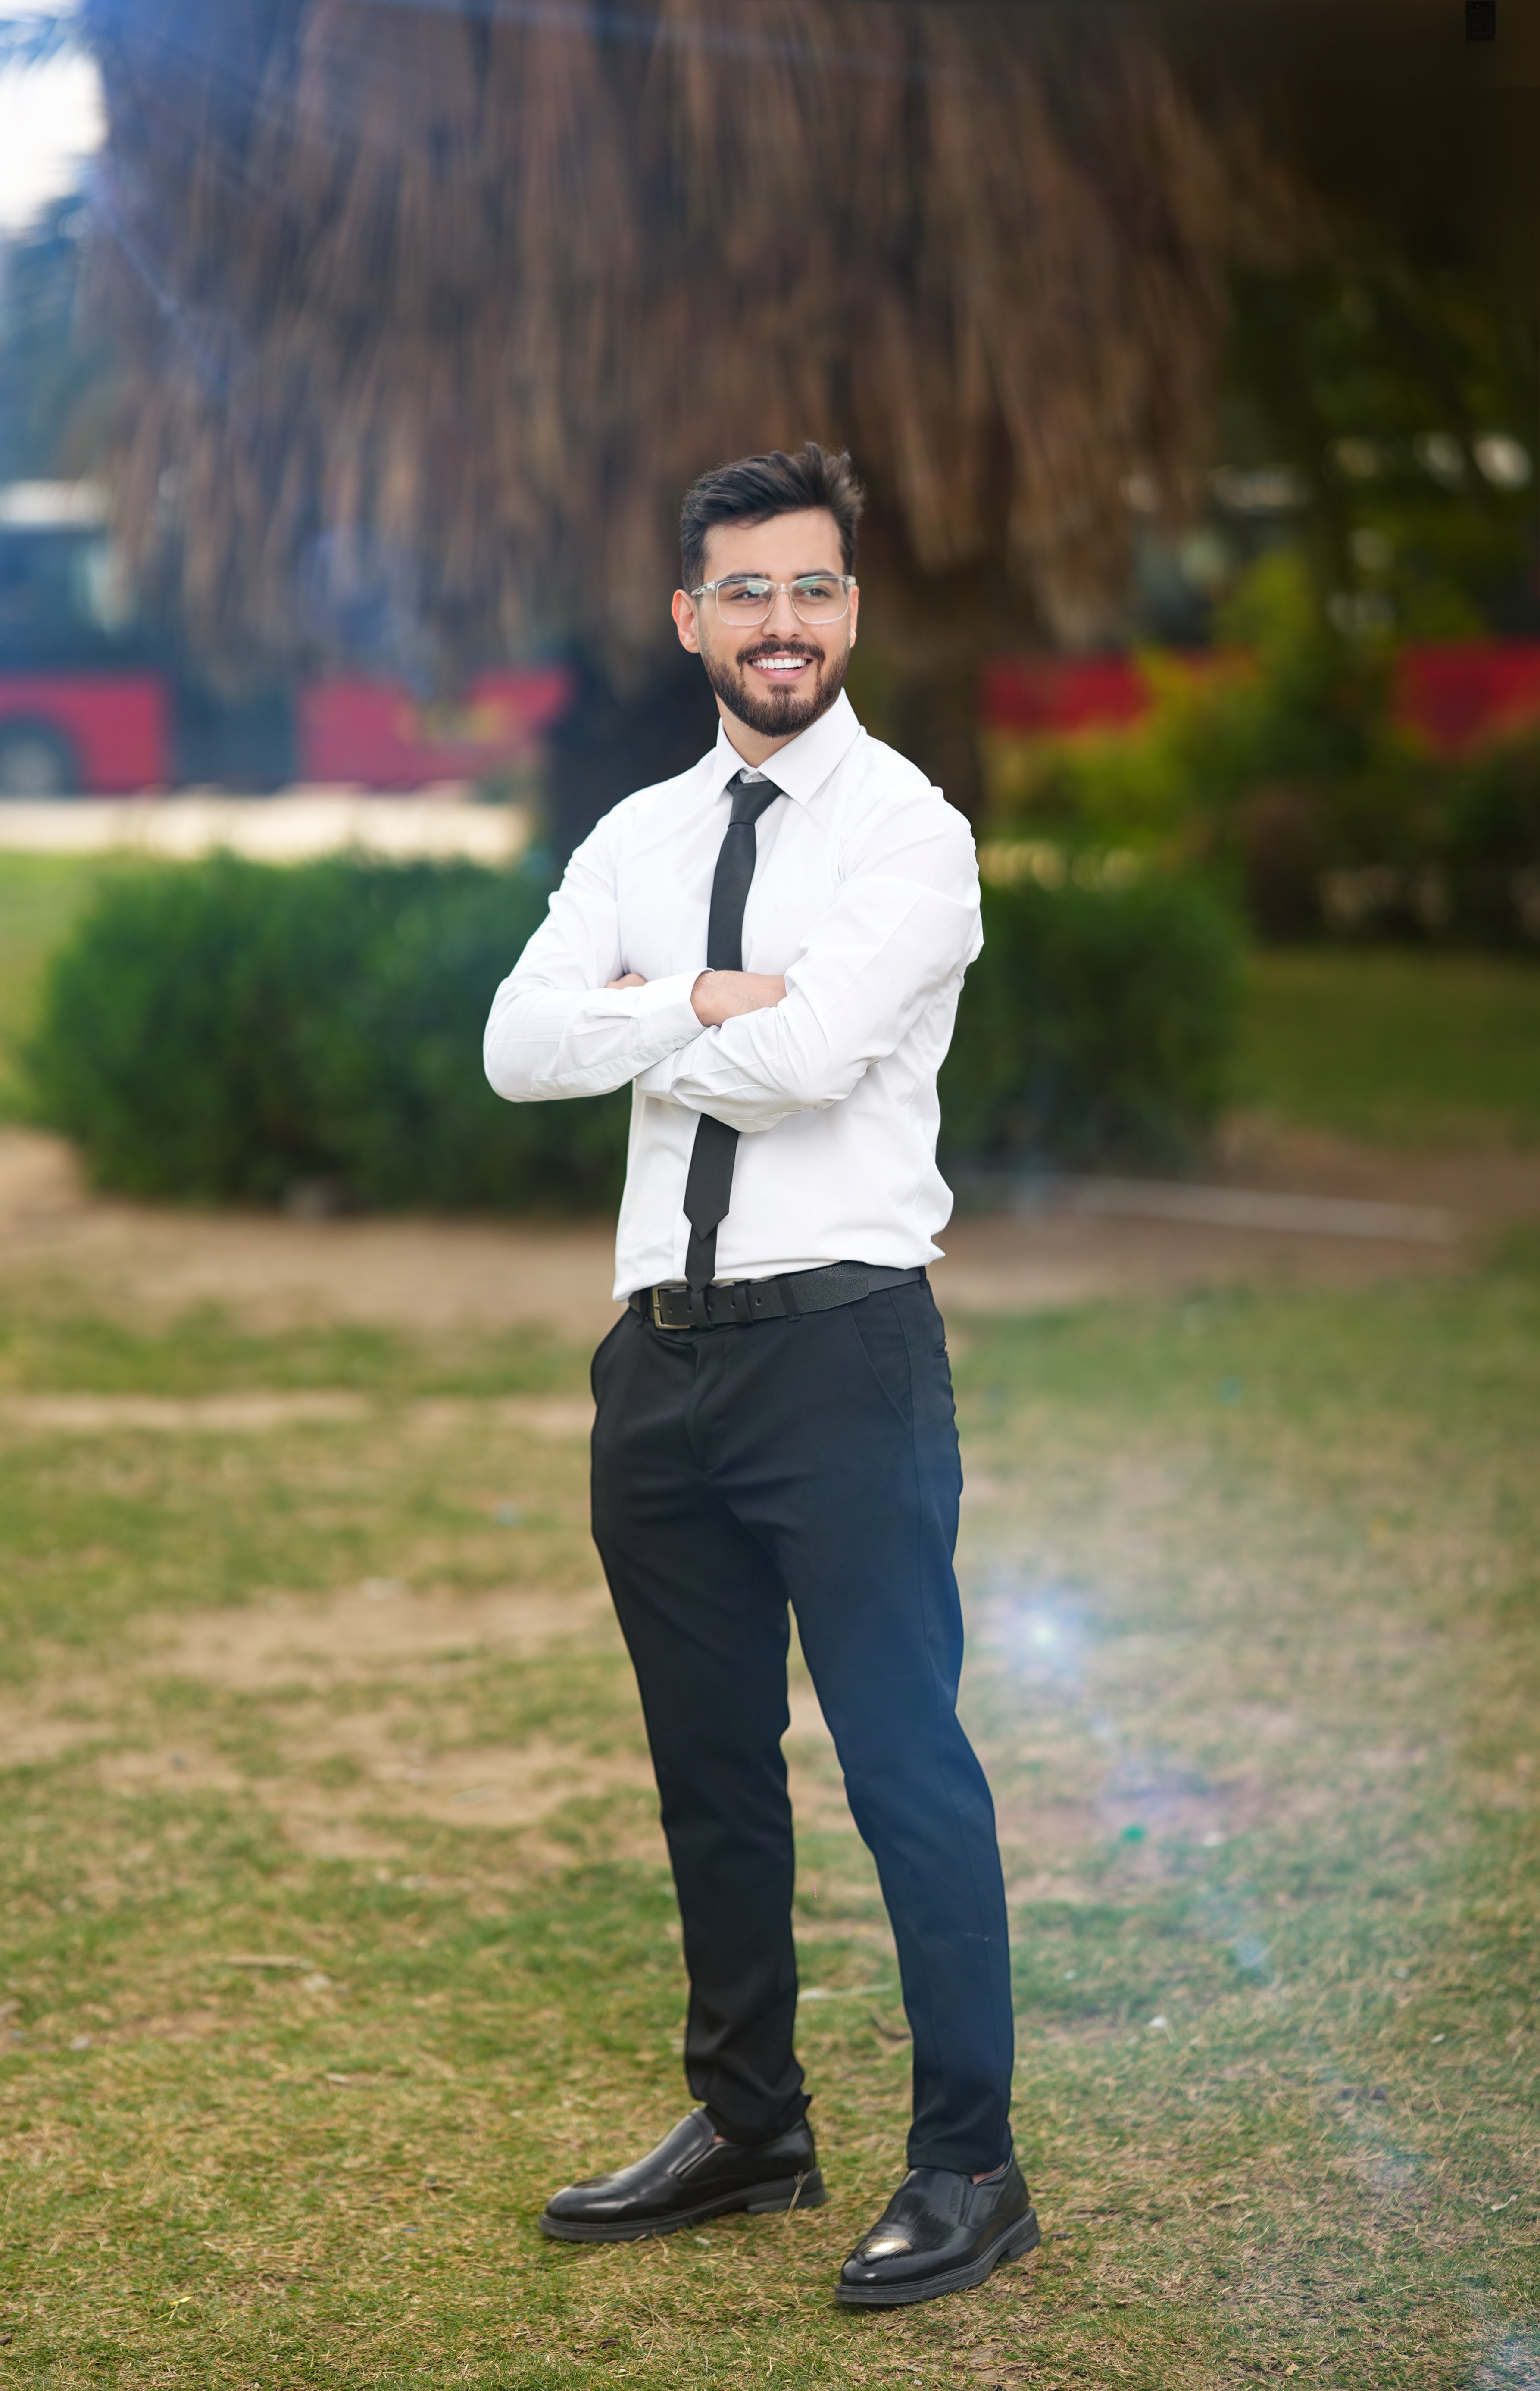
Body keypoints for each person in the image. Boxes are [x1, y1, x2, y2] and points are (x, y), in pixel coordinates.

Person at [483, 442, 1036, 2308]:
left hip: (841, 1353)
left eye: (809, 588)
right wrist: (707, 998)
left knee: (903, 1760)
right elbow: (513, 1047)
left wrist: (642, 1023)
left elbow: (805, 1071)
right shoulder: (635, 837)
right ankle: (749, 2125)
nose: (778, 622)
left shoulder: (909, 833)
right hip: (657, 1365)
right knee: (709, 1769)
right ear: (688, 617)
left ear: (850, 609)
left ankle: (969, 2164)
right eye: (745, 592)